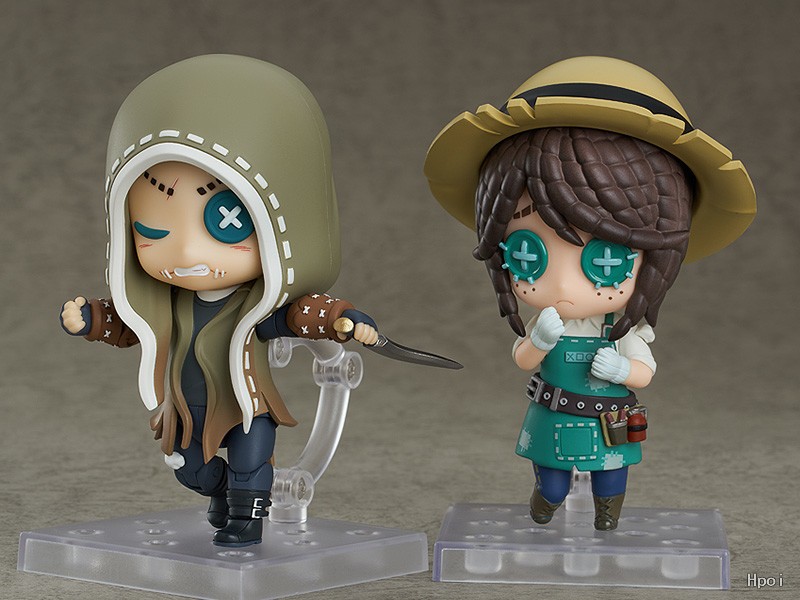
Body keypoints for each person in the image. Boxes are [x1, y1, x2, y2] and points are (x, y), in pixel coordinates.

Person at [424, 56, 756, 530]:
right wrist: (539, 341)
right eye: (529, 254)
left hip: (608, 420)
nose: (562, 286)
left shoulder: (620, 328)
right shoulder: (546, 321)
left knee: (611, 478)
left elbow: (644, 372)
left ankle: (606, 516)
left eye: (606, 259)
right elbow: (522, 358)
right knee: (552, 483)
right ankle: (545, 502)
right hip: (552, 414)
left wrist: (623, 369)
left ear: (655, 258)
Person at [61, 55, 378, 547]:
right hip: (185, 408)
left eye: (222, 223)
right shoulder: (167, 302)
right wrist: (93, 319)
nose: (188, 253)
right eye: (153, 233)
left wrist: (339, 319)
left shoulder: (256, 305)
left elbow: (297, 315)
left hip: (248, 404)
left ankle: (247, 517)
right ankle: (221, 492)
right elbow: (132, 326)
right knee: (188, 469)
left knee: (251, 462)